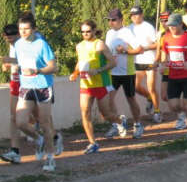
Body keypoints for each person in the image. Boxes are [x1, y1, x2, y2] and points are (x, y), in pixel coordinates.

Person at [5, 14, 62, 171]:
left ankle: (50, 158)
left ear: (34, 29)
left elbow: (54, 67)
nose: (23, 32)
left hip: (43, 86)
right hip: (26, 87)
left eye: (26, 29)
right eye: (21, 29)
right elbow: (19, 61)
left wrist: (37, 70)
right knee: (20, 121)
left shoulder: (41, 44)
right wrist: (5, 60)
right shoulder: (18, 45)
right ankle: (39, 139)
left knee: (44, 123)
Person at [69, 20, 126, 153]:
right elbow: (80, 62)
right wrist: (75, 73)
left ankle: (119, 120)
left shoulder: (100, 45)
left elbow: (112, 63)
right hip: (86, 84)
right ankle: (92, 143)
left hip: (101, 83)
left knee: (105, 114)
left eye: (88, 31)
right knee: (85, 113)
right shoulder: (79, 46)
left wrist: (98, 70)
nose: (85, 34)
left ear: (94, 31)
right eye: (83, 32)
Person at [0, 24, 44, 164]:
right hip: (15, 82)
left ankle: (50, 139)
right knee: (14, 118)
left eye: (13, 36)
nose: (11, 39)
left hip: (28, 83)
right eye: (8, 37)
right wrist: (7, 64)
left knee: (38, 117)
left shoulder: (24, 44)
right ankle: (15, 152)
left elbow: (30, 61)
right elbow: (11, 64)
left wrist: (11, 61)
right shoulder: (12, 45)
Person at [105, 8, 144, 138]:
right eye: (109, 20)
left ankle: (138, 125)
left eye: (113, 20)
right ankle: (118, 124)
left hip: (127, 72)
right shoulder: (109, 33)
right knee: (108, 100)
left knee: (131, 99)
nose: (111, 22)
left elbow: (139, 49)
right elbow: (107, 52)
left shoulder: (127, 32)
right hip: (112, 73)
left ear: (121, 20)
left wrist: (125, 52)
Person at [129, 6, 161, 123]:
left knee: (151, 87)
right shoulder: (129, 29)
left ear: (142, 15)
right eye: (132, 15)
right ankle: (149, 98)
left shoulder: (148, 27)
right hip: (137, 61)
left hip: (150, 61)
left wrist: (145, 48)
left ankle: (157, 112)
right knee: (135, 86)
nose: (134, 17)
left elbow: (157, 44)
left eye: (136, 14)